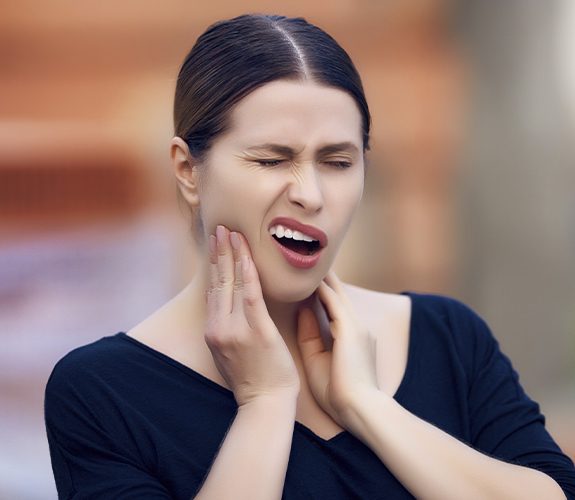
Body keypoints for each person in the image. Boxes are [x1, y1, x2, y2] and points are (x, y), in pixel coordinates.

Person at [44, 14, 575, 499]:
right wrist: (265, 402)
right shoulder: (100, 392)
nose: (312, 194)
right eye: (273, 159)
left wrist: (369, 408)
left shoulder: (448, 337)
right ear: (187, 170)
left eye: (338, 161)